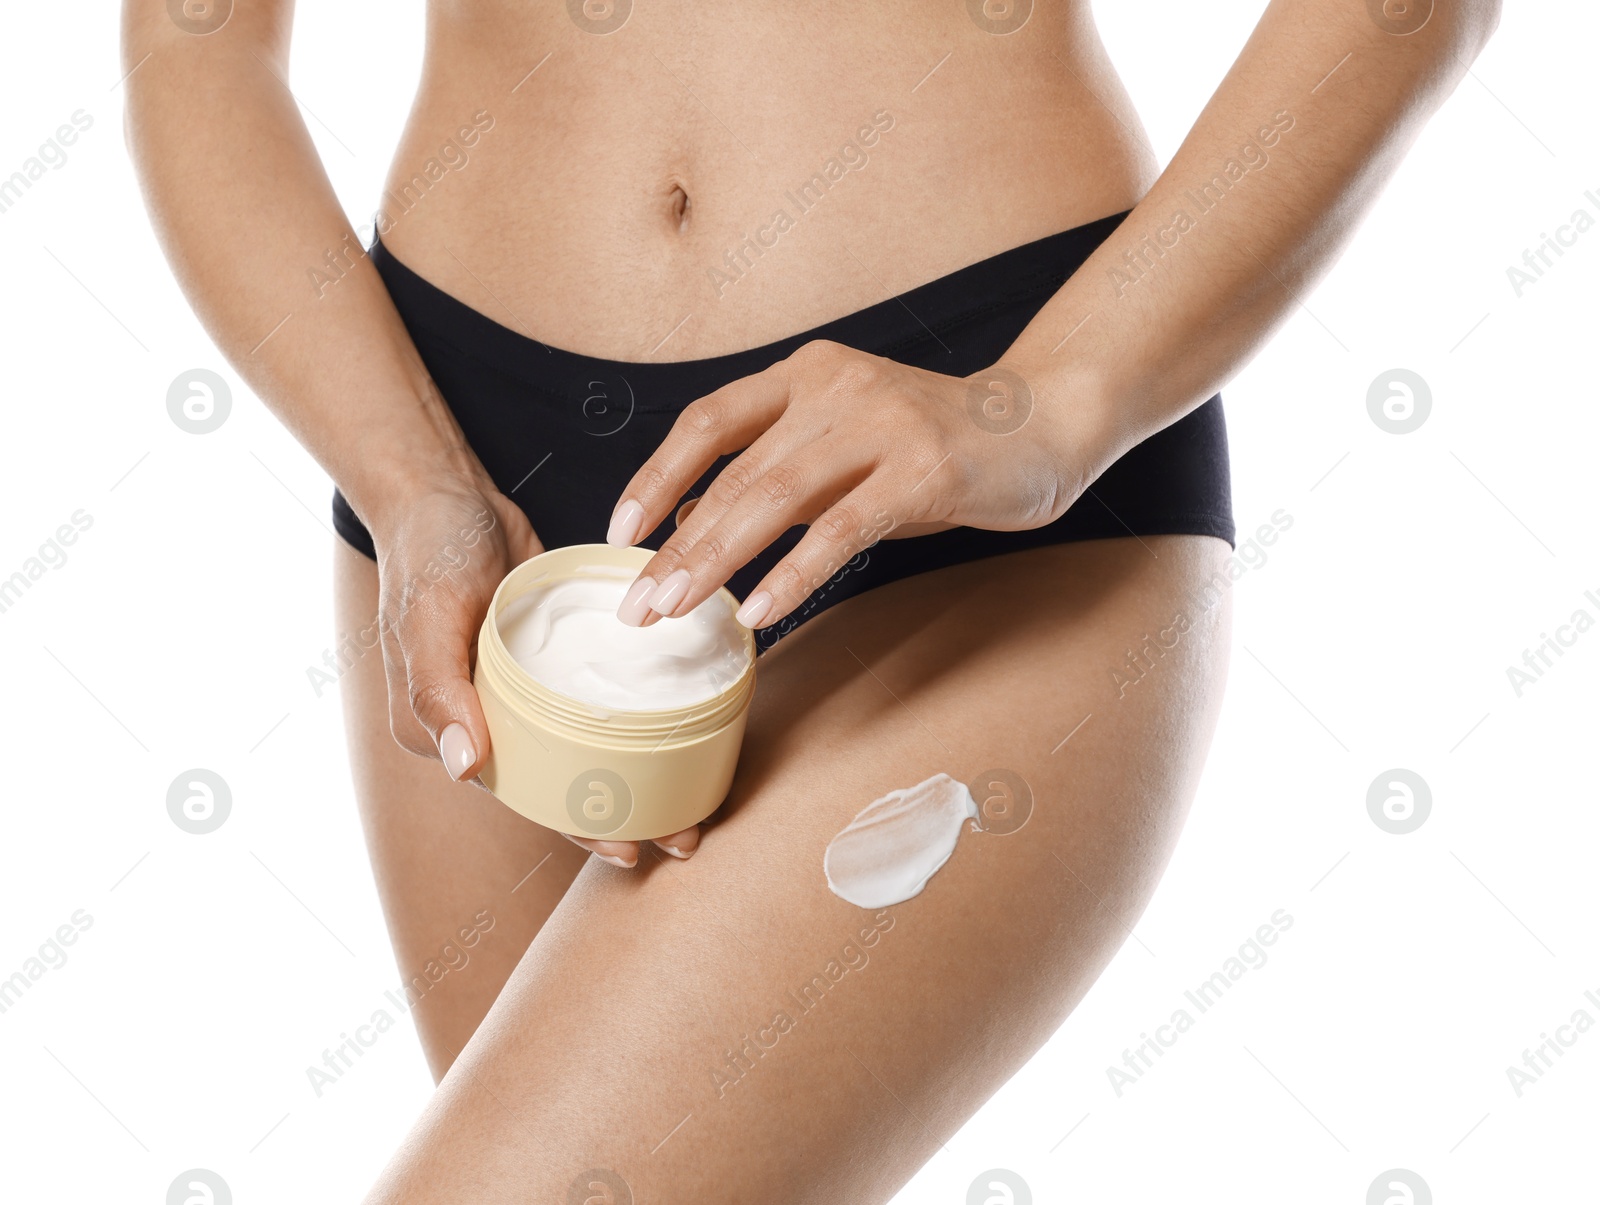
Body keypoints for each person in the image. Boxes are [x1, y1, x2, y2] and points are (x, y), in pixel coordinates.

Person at [124, 1, 1498, 1199]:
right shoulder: (431, 480)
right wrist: (408, 480)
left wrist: (1046, 404)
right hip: (474, 474)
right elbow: (195, 43)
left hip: (970, 441)